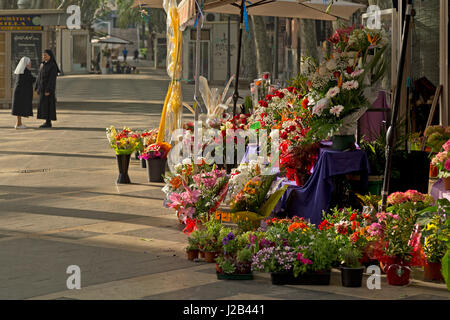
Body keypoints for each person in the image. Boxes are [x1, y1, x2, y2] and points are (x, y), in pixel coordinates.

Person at [36, 49, 60, 128]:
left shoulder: (52, 66)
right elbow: (39, 76)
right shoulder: (42, 64)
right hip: (42, 89)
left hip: (48, 90)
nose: (44, 57)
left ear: (50, 56)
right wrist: (37, 87)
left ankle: (48, 122)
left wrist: (48, 90)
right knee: (43, 106)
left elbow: (52, 80)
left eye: (46, 55)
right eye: (43, 55)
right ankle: (46, 121)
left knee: (48, 106)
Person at [12, 57, 36, 129]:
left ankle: (19, 123)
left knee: (19, 108)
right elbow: (32, 79)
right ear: (26, 64)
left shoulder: (20, 71)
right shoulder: (25, 71)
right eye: (29, 63)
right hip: (21, 93)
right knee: (19, 108)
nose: (30, 64)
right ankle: (18, 124)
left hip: (19, 92)